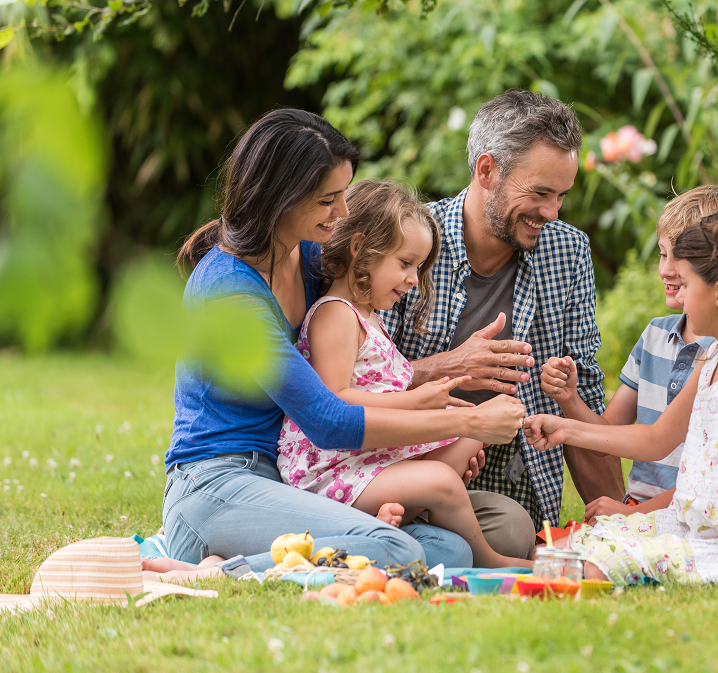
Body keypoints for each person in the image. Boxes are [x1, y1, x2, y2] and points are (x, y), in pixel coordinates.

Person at [154, 109, 526, 577]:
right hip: (216, 484)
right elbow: (329, 421)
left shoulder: (307, 261)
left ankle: (286, 550)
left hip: (285, 480)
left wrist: (446, 372)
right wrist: (470, 421)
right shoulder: (229, 291)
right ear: (280, 199)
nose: (343, 213)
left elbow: (361, 364)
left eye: (343, 196)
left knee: (450, 553)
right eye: (329, 199)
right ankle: (213, 571)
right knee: (395, 551)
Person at [523, 210, 718, 597]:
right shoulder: (713, 359)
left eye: (688, 283)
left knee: (583, 570)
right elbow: (656, 439)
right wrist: (567, 429)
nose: (679, 293)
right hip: (689, 525)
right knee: (558, 552)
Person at [379, 89, 622, 547]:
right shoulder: (406, 241)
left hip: (510, 473)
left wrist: (622, 525)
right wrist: (447, 368)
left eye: (561, 196)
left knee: (511, 531)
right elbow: (353, 387)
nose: (551, 213)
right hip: (398, 464)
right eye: (540, 193)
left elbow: (584, 399)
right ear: (486, 171)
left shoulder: (568, 252)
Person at [276, 180, 531, 568]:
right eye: (405, 264)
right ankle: (490, 559)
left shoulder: (370, 318)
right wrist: (415, 401)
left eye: (418, 267)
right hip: (330, 470)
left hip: (365, 460)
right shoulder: (335, 315)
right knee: (443, 480)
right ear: (360, 249)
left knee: (469, 436)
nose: (414, 280)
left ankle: (388, 520)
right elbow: (334, 400)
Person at [540, 185, 718, 524]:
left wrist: (630, 515)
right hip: (641, 509)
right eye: (663, 254)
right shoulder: (655, 337)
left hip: (696, 514)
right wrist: (569, 399)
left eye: (681, 259)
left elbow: (713, 483)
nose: (666, 270)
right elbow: (609, 435)